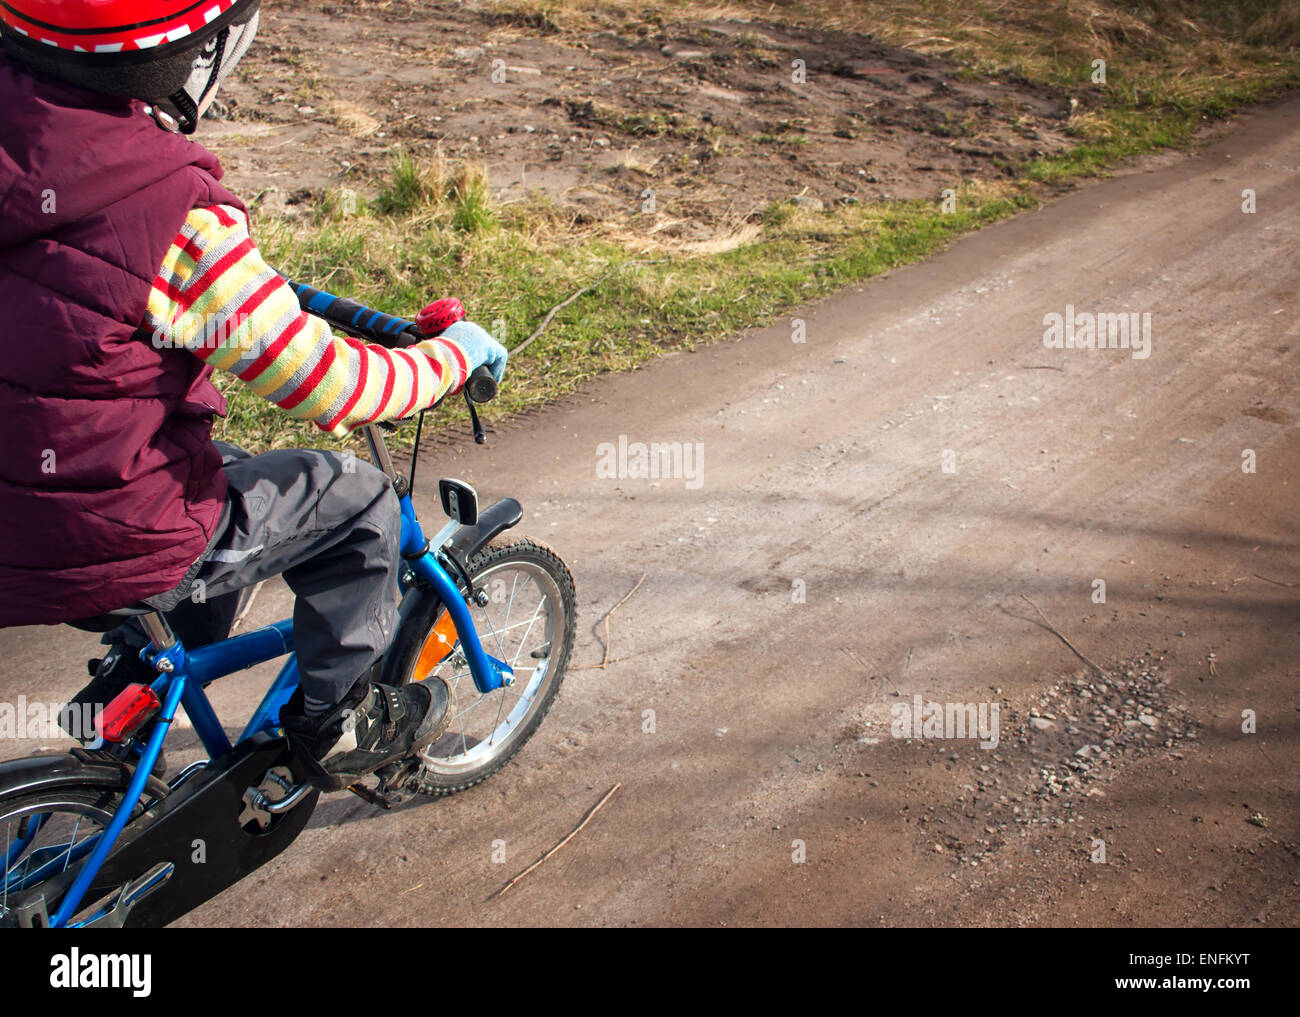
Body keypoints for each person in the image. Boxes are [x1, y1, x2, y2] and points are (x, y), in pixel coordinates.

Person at [0, 0, 509, 791]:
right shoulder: (176, 220)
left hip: (18, 505)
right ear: (192, 56)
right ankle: (336, 727)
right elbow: (335, 386)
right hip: (95, 529)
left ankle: (138, 686)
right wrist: (452, 355)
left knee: (208, 465)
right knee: (362, 503)